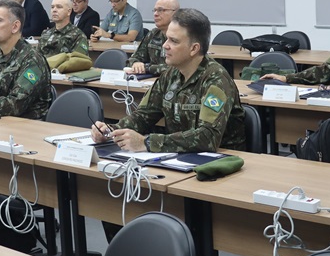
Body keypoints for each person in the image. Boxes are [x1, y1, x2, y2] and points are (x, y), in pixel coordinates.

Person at [91, 8, 245, 153]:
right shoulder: (170, 74)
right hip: (179, 156)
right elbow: (143, 116)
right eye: (166, 39)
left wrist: (147, 142)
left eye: (174, 41)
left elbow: (208, 137)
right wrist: (112, 130)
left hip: (220, 163)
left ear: (194, 48)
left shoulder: (216, 79)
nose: (165, 45)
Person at [126, 0, 179, 75]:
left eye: (161, 10)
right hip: (152, 82)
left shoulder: (183, 36)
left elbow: (177, 68)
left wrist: (147, 68)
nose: (155, 14)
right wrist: (136, 63)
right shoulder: (153, 34)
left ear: (175, 13)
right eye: (154, 10)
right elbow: (133, 58)